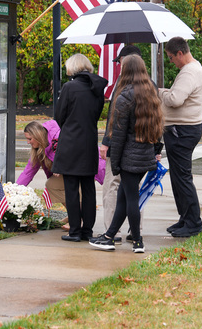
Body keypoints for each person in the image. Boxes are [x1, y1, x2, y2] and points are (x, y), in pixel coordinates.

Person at [90, 54, 163, 254]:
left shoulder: (124, 97)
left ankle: (138, 241)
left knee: (131, 199)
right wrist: (156, 151)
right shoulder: (151, 93)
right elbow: (158, 127)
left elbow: (119, 135)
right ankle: (108, 237)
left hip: (129, 157)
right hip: (145, 155)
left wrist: (115, 163)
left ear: (126, 70)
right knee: (123, 197)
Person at [53, 53, 108, 242]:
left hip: (71, 142)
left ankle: (75, 231)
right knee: (88, 188)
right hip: (89, 141)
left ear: (72, 67)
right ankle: (87, 230)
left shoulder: (69, 87)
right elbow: (97, 114)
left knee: (71, 189)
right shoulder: (97, 88)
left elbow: (59, 116)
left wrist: (70, 126)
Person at [17, 120, 106, 231]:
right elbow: (28, 171)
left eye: (30, 139)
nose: (28, 142)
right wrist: (15, 189)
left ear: (37, 135)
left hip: (86, 165)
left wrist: (61, 165)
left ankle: (79, 220)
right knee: (52, 185)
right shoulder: (38, 149)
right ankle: (74, 215)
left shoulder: (57, 136)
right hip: (70, 170)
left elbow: (75, 151)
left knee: (78, 187)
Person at [159, 37, 202, 238]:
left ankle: (194, 223)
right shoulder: (193, 69)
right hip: (183, 130)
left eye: (171, 57)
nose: (171, 62)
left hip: (182, 131)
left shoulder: (189, 72)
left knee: (183, 177)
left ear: (180, 53)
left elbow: (175, 99)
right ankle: (186, 218)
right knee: (178, 177)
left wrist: (160, 92)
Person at [100, 45, 144, 241]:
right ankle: (135, 231)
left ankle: (112, 231)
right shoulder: (149, 86)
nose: (118, 65)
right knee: (135, 191)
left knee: (112, 186)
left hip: (122, 147)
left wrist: (106, 142)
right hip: (142, 148)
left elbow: (115, 120)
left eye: (120, 62)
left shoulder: (122, 87)